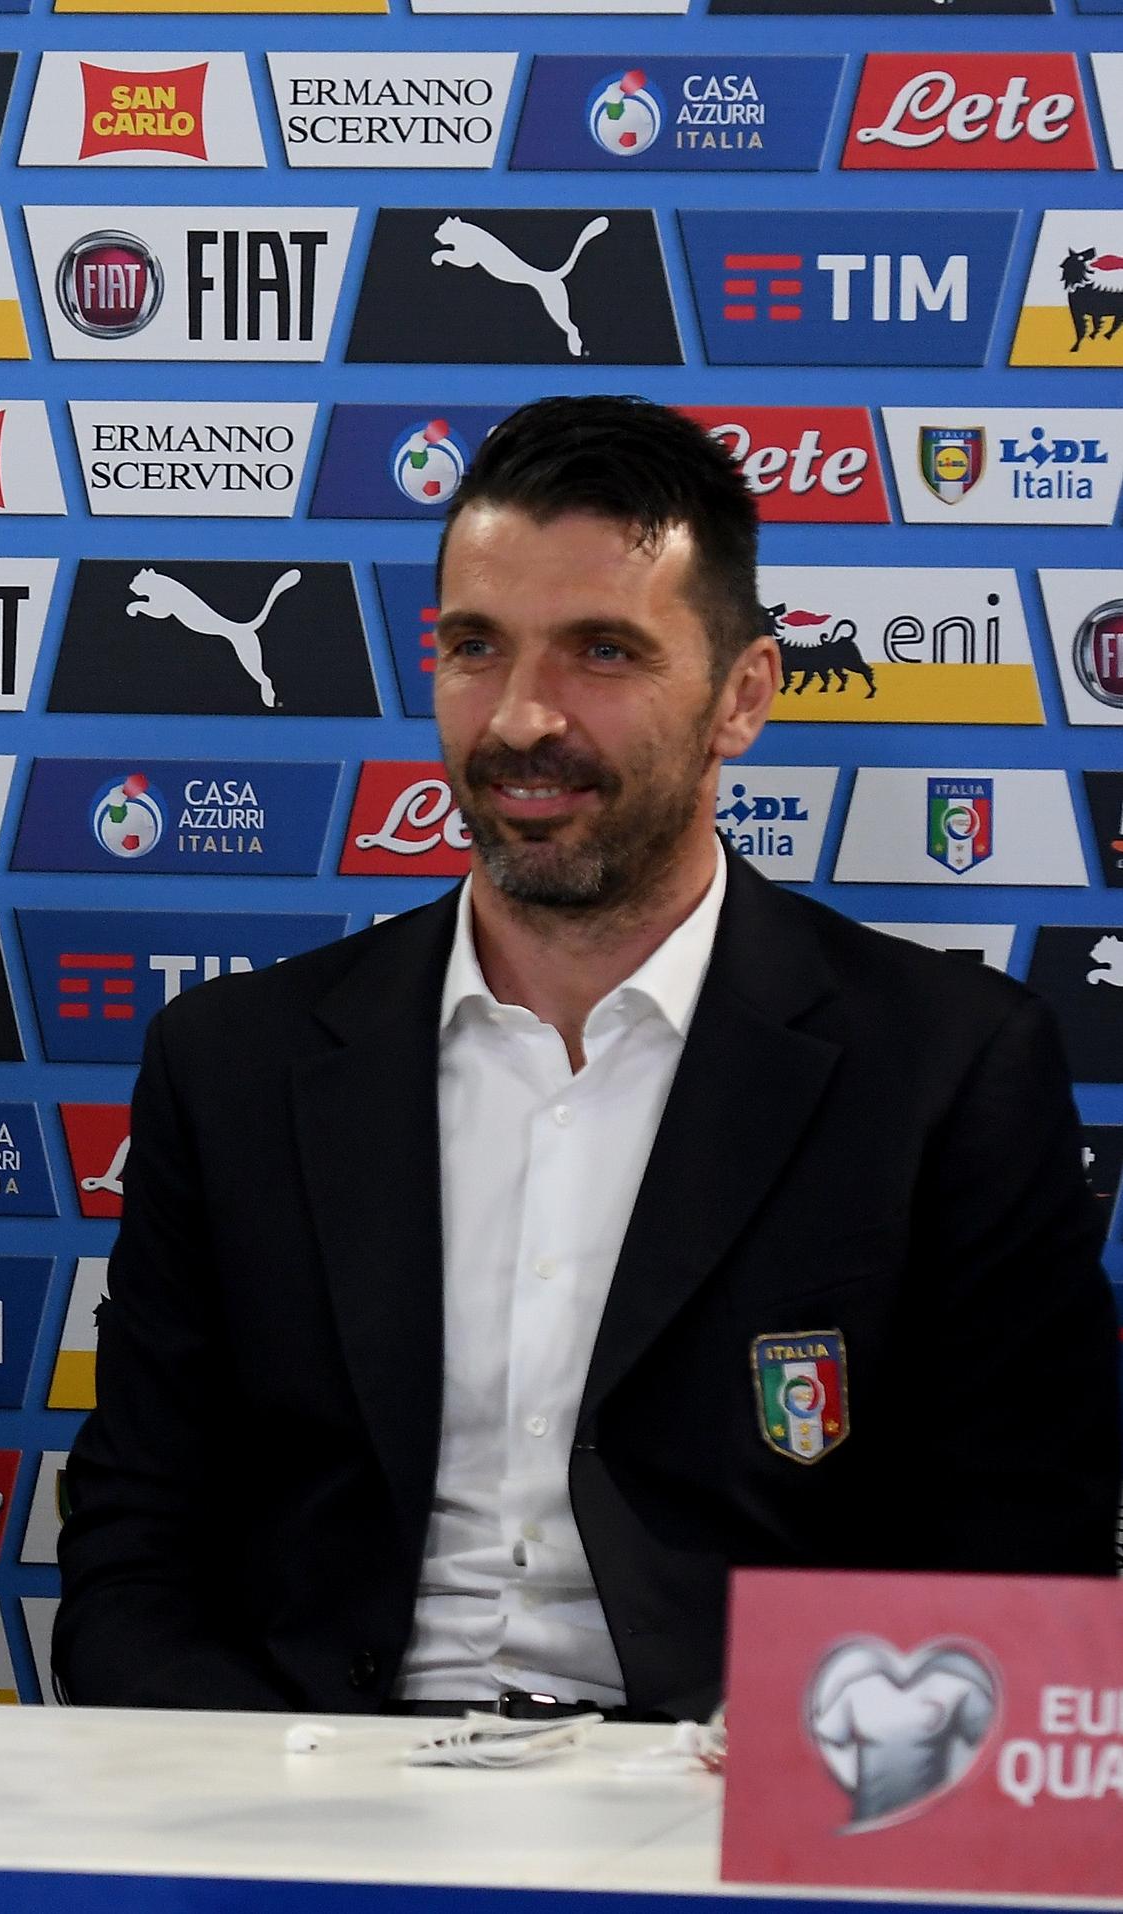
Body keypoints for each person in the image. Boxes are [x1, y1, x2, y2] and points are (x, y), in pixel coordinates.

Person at [56, 395, 1120, 1720]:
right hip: (313, 1781)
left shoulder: (946, 1069)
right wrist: (276, 1791)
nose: (518, 718)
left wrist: (792, 1776)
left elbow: (1019, 1555)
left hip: (736, 1798)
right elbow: (133, 1546)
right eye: (473, 647)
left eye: (601, 652)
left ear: (742, 695)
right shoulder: (231, 1066)